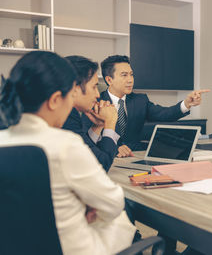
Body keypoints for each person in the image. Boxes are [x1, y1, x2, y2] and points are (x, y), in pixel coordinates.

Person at [0, 51, 135, 254]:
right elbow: (114, 203)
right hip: (70, 248)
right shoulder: (64, 144)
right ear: (55, 100)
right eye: (70, 95)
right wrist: (83, 207)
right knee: (120, 219)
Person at [83, 55, 210, 157]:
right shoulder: (95, 101)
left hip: (136, 156)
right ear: (109, 80)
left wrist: (187, 104)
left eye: (131, 74)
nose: (130, 80)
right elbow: (86, 139)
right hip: (107, 156)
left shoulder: (140, 100)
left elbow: (165, 114)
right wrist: (114, 148)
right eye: (124, 75)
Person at [62, 55, 119, 171]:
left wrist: (98, 126)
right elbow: (100, 166)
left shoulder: (69, 113)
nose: (98, 95)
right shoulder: (65, 117)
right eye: (94, 87)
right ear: (75, 88)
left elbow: (85, 152)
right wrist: (110, 123)